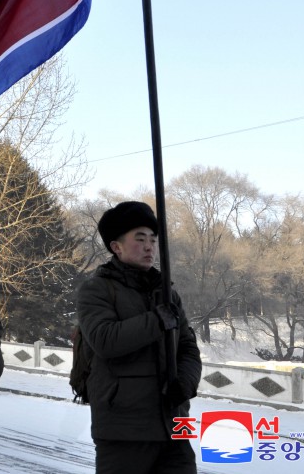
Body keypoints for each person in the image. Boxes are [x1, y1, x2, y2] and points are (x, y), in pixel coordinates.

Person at [77, 201, 202, 474]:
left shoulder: (167, 293)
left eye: (153, 240)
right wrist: (156, 320)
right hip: (124, 429)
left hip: (174, 425)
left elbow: (188, 347)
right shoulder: (97, 290)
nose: (149, 247)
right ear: (116, 246)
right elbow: (104, 340)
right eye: (140, 239)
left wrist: (186, 382)